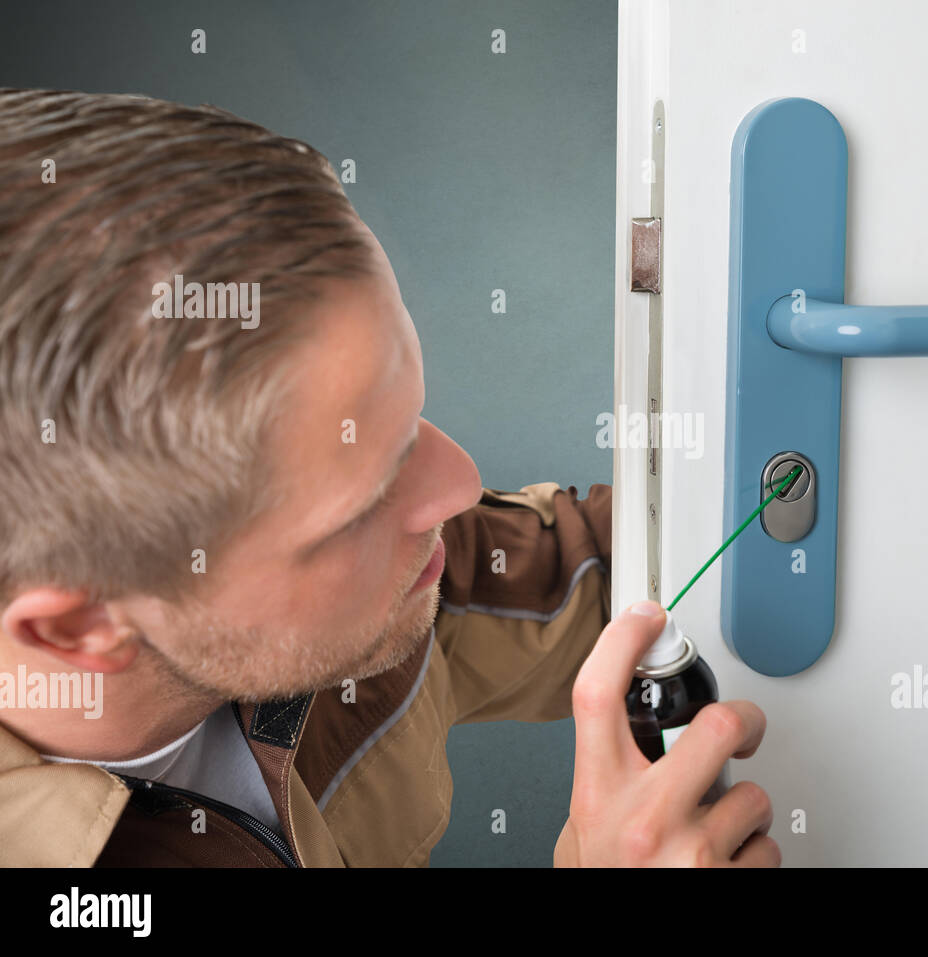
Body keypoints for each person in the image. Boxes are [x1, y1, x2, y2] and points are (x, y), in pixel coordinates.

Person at [0, 88, 778, 867]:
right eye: (360, 500)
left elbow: (624, 565)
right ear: (77, 627)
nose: (460, 485)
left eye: (406, 423)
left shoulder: (402, 566)